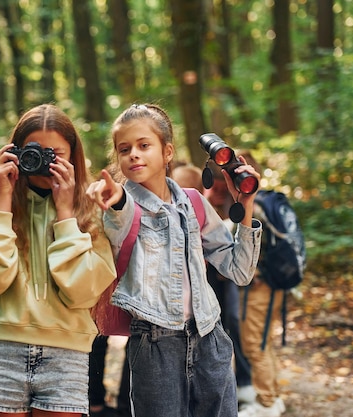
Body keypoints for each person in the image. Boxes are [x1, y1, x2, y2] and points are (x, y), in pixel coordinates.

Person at [85, 103, 262, 417]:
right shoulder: (121, 205)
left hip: (210, 338)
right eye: (124, 149)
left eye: (144, 145)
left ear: (167, 152)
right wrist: (114, 199)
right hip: (155, 346)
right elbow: (121, 216)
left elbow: (240, 271)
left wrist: (245, 205)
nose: (134, 155)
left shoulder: (193, 202)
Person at [0, 104, 117, 417]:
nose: (46, 164)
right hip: (4, 347)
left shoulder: (95, 214)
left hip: (67, 353)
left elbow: (82, 292)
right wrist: (4, 202)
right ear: (16, 154)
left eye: (56, 154)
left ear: (74, 156)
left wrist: (66, 214)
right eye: (36, 152)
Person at [237, 151, 287, 417]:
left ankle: (266, 403)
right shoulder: (267, 202)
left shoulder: (254, 207)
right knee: (263, 342)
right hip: (273, 285)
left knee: (255, 344)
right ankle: (273, 396)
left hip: (260, 286)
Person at [202, 165, 256, 407]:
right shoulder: (197, 203)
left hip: (226, 279)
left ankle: (241, 383)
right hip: (207, 282)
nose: (219, 191)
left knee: (231, 324)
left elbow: (239, 268)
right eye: (214, 185)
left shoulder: (231, 202)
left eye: (223, 186)